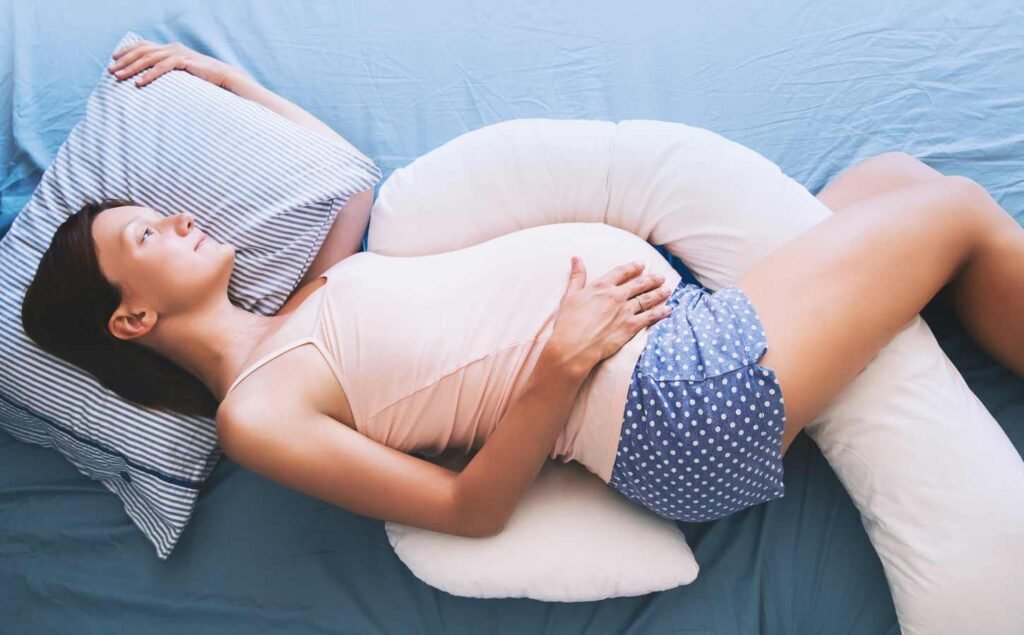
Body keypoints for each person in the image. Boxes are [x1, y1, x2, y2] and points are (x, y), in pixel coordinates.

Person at [20, 41, 1024, 538]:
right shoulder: (257, 413)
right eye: (147, 230)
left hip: (682, 363)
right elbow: (467, 509)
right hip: (672, 409)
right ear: (132, 316)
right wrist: (562, 354)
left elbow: (342, 177)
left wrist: (215, 78)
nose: (183, 217)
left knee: (891, 181)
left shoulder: (306, 303)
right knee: (958, 209)